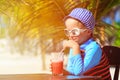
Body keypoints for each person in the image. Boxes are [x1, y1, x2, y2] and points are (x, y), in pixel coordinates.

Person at [61, 8, 111, 80]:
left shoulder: (94, 48)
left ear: (88, 32)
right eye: (67, 32)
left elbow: (79, 73)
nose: (70, 35)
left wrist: (75, 47)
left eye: (74, 32)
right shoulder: (75, 47)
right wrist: (63, 71)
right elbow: (73, 72)